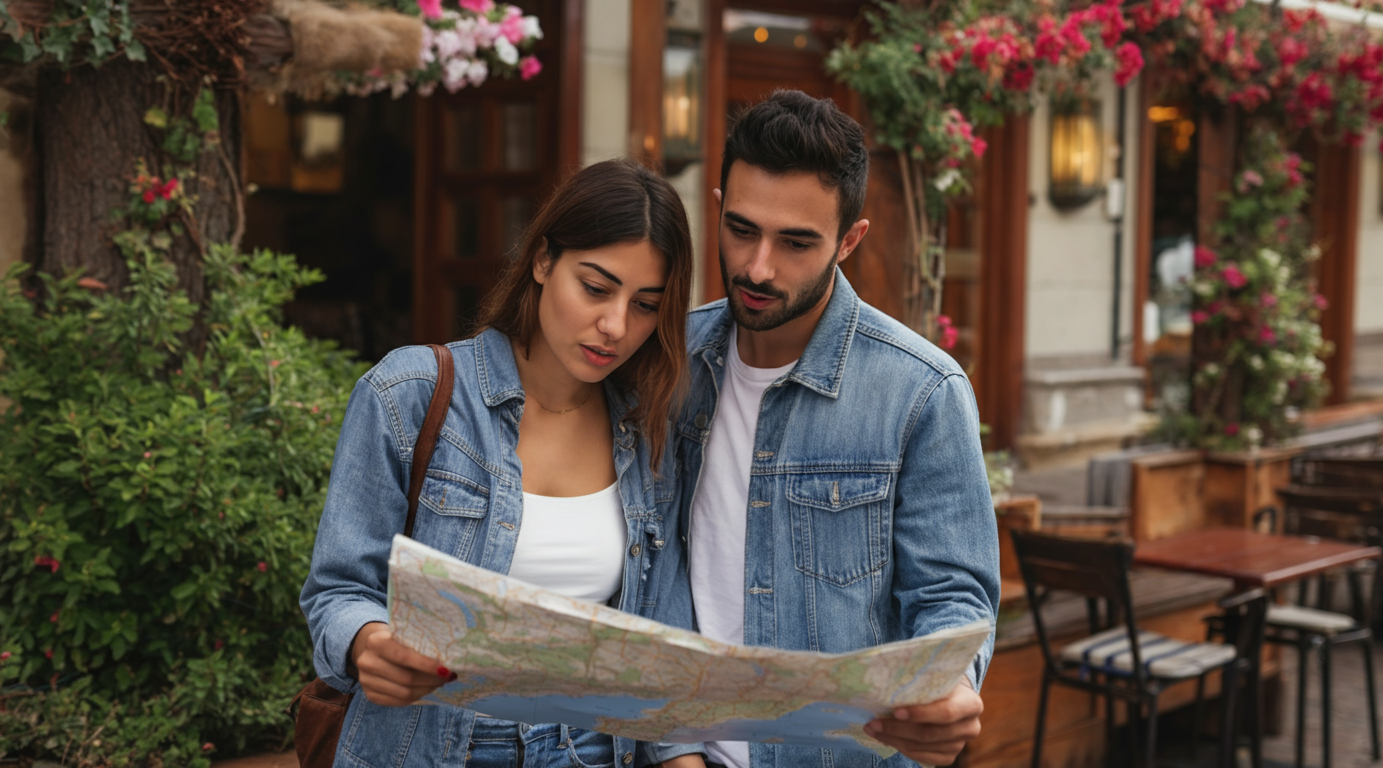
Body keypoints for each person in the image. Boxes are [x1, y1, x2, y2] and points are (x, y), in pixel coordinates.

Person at [645, 90, 1002, 768]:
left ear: (850, 240)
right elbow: (646, 571)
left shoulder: (921, 391)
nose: (758, 267)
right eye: (742, 229)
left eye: (797, 242)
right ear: (717, 206)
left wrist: (947, 688)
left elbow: (952, 596)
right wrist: (673, 753)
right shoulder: (667, 363)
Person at [300, 159, 696, 768]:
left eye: (645, 304)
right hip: (430, 748)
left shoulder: (649, 436)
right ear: (542, 261)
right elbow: (339, 589)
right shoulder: (408, 394)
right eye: (595, 287)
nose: (615, 325)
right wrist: (369, 643)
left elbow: (660, 652)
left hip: (591, 750)